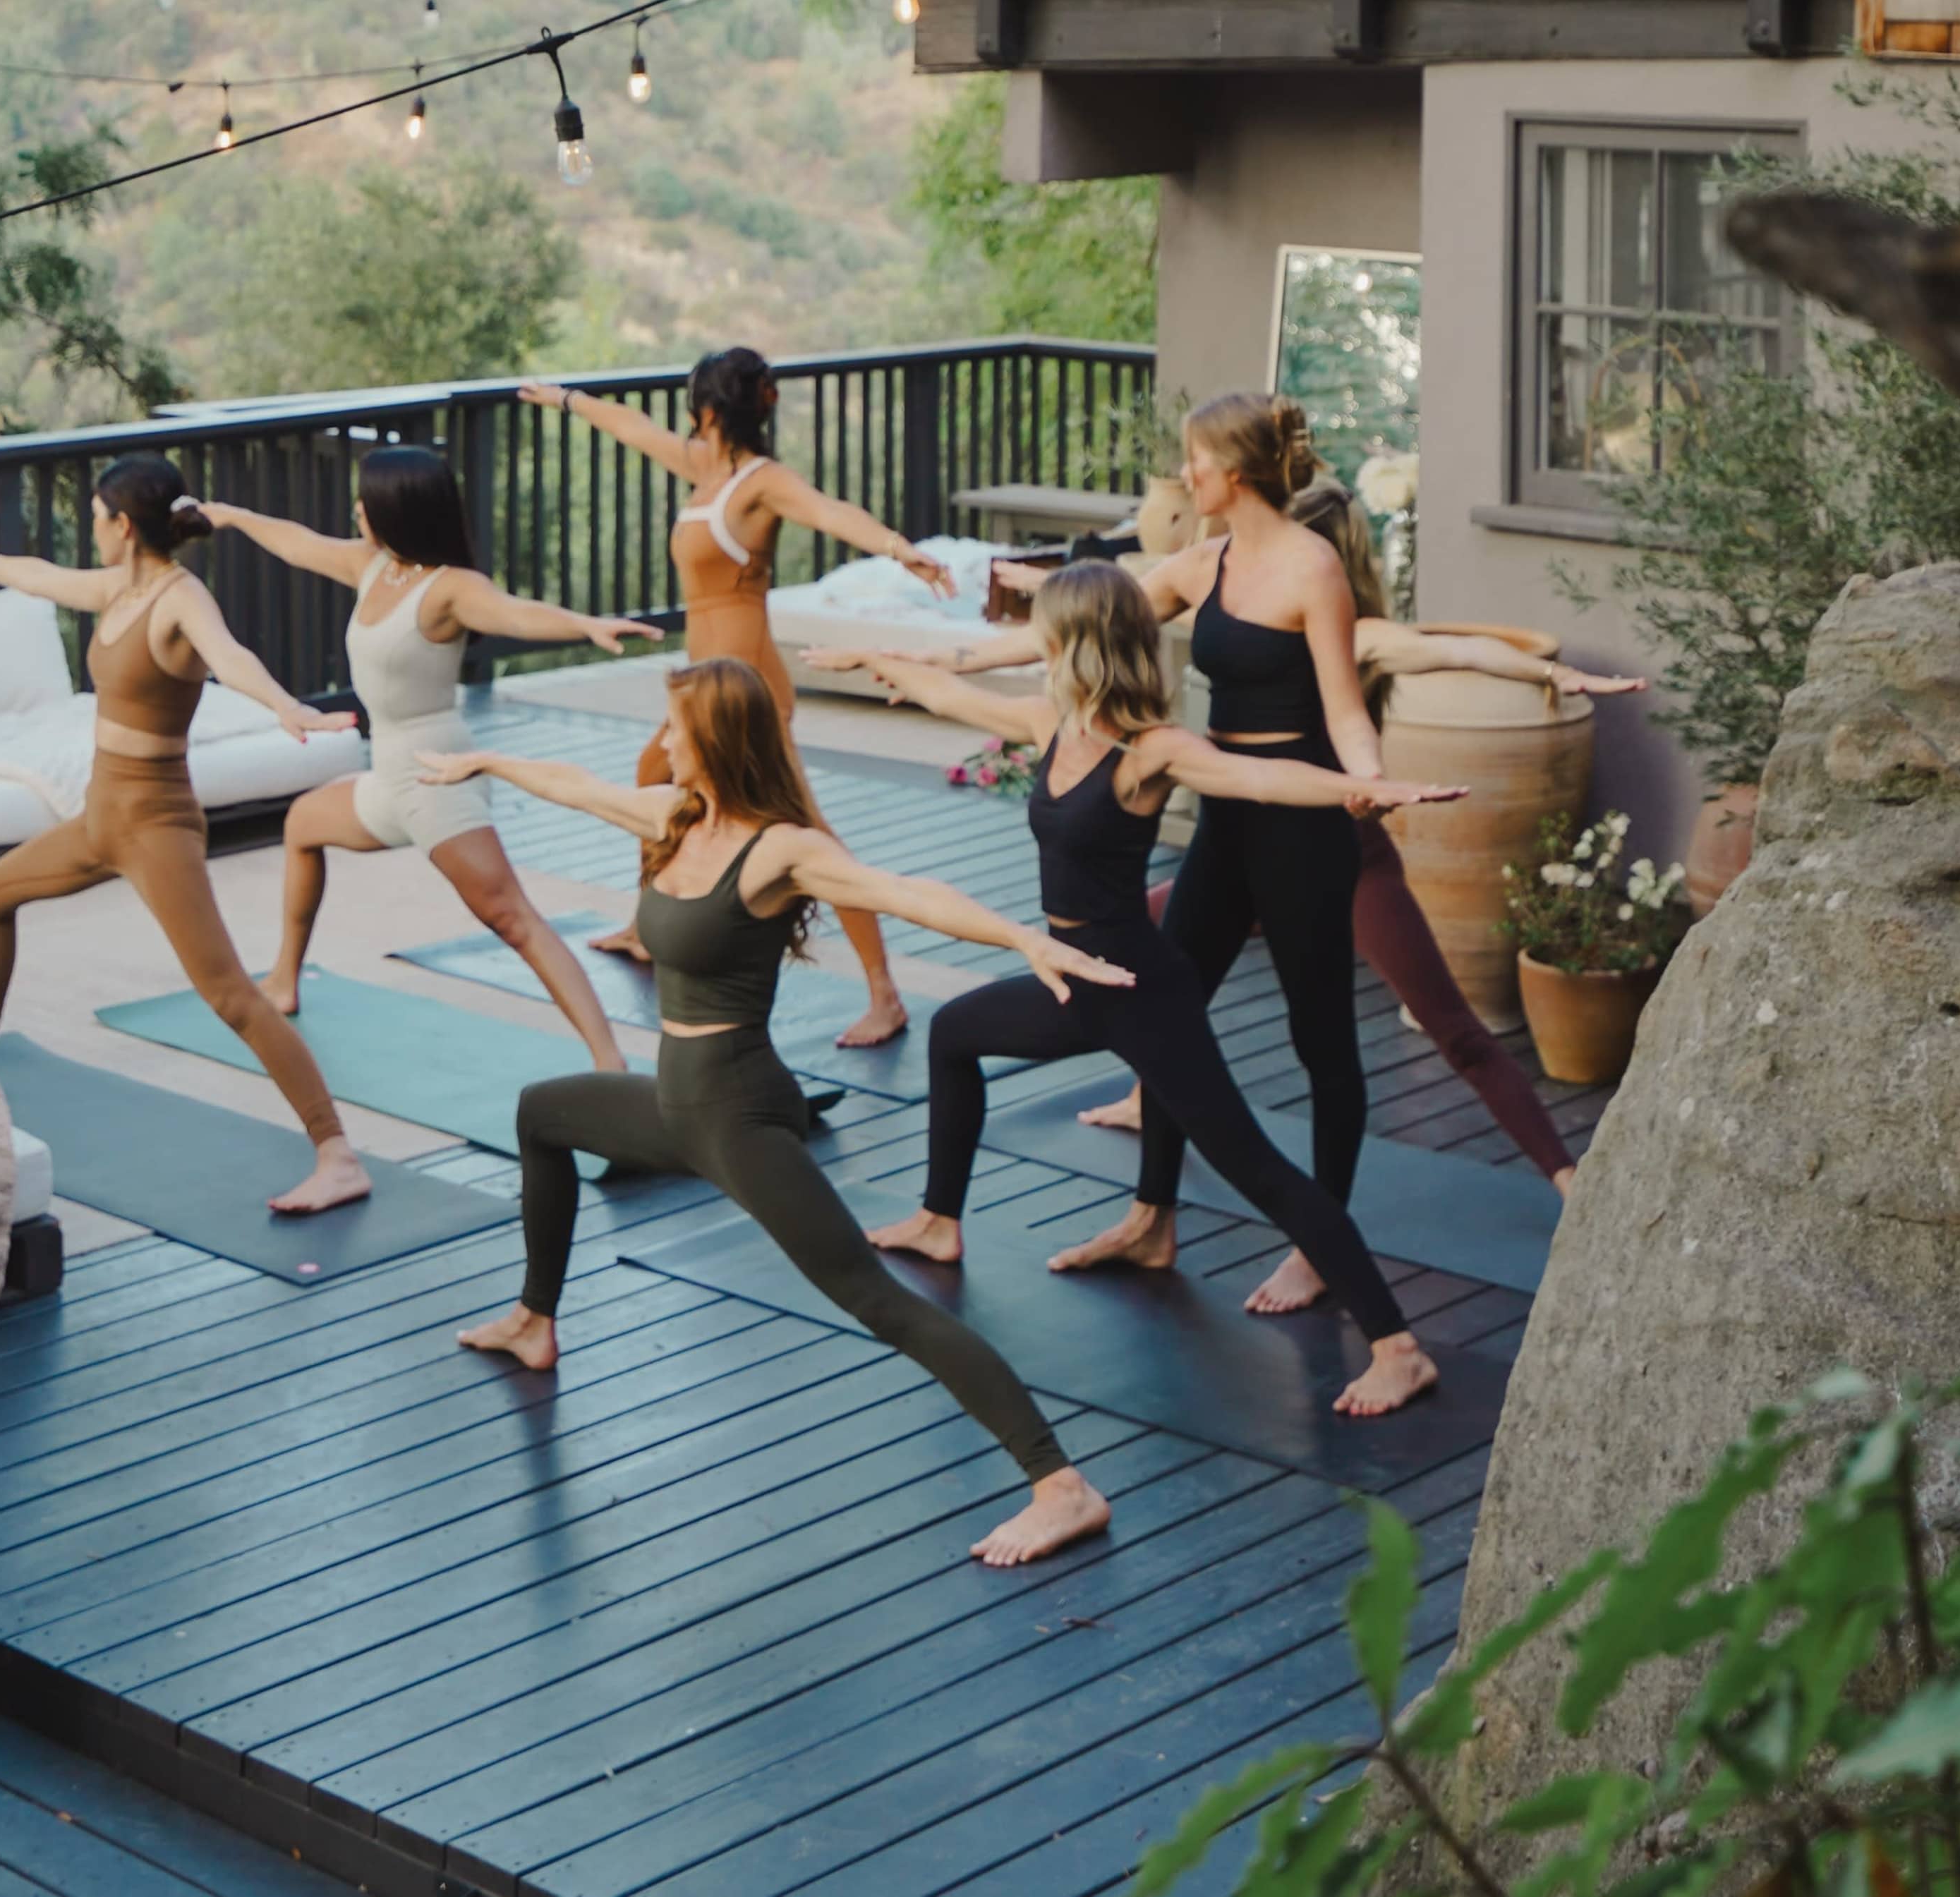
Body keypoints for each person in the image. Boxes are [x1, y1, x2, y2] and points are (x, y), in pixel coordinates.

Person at [419, 656, 1124, 1566]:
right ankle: (533, 1319)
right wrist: (482, 768)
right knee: (543, 1114)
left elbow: (907, 893)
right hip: (680, 1105)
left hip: (738, 1116)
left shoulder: (780, 849)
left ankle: (1060, 1483)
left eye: (676, 727)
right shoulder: (680, 816)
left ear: (714, 738)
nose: (663, 741)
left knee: (878, 1301)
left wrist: (1027, 939)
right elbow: (574, 787)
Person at [806, 564, 1460, 1417]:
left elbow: (1261, 780)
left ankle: (1397, 1347)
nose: (1035, 645)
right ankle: (939, 1219)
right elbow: (950, 699)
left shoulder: (1149, 750)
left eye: (1048, 632)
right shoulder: (1052, 722)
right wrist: (877, 662)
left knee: (1260, 1171)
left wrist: (1364, 789)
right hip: (1073, 979)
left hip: (1142, 991)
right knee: (954, 1034)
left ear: (1082, 643)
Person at [978, 468, 1650, 1280]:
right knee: (1159, 990)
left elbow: (1446, 648)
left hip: (1330, 858)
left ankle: (1565, 1184)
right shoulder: (1222, 606)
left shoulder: (1347, 632)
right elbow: (1106, 609)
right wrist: (1008, 613)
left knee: (1440, 1027)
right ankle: (1150, 1215)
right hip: (1231, 849)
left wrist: (1549, 674)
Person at [0, 463, 369, 1215]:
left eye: (96, 517)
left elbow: (231, 659)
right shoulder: (115, 590)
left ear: (122, 526)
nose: (90, 531)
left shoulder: (179, 598)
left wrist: (288, 709)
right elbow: (38, 576)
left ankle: (337, 1152)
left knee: (230, 995)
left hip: (156, 825)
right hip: (100, 818)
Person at [521, 350, 951, 1047]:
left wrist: (901, 549)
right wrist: (567, 400)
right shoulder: (702, 467)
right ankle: (644, 925)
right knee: (650, 776)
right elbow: (630, 427)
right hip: (701, 687)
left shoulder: (761, 482)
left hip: (746, 686)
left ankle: (884, 993)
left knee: (808, 831)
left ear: (709, 411)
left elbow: (830, 512)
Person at [198, 444, 649, 1067]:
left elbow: (515, 613)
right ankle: (283, 980)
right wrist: (235, 516)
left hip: (439, 775)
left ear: (400, 510)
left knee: (512, 919)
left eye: (368, 500)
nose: (356, 509)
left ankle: (608, 1058)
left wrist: (585, 625)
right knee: (303, 824)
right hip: (387, 777)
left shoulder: (450, 589)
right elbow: (299, 543)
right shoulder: (375, 565)